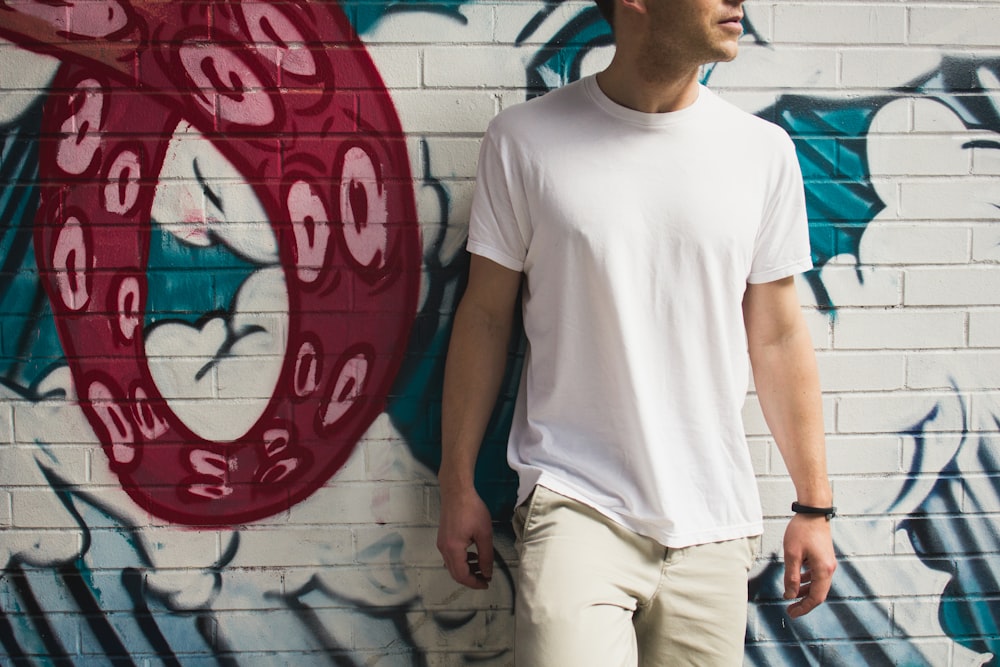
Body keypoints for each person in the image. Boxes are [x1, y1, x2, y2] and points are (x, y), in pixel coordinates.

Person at [436, 0, 838, 663]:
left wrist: (814, 506)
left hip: (713, 518)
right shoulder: (525, 140)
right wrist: (458, 486)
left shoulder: (762, 152)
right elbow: (484, 317)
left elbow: (777, 336)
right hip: (575, 503)